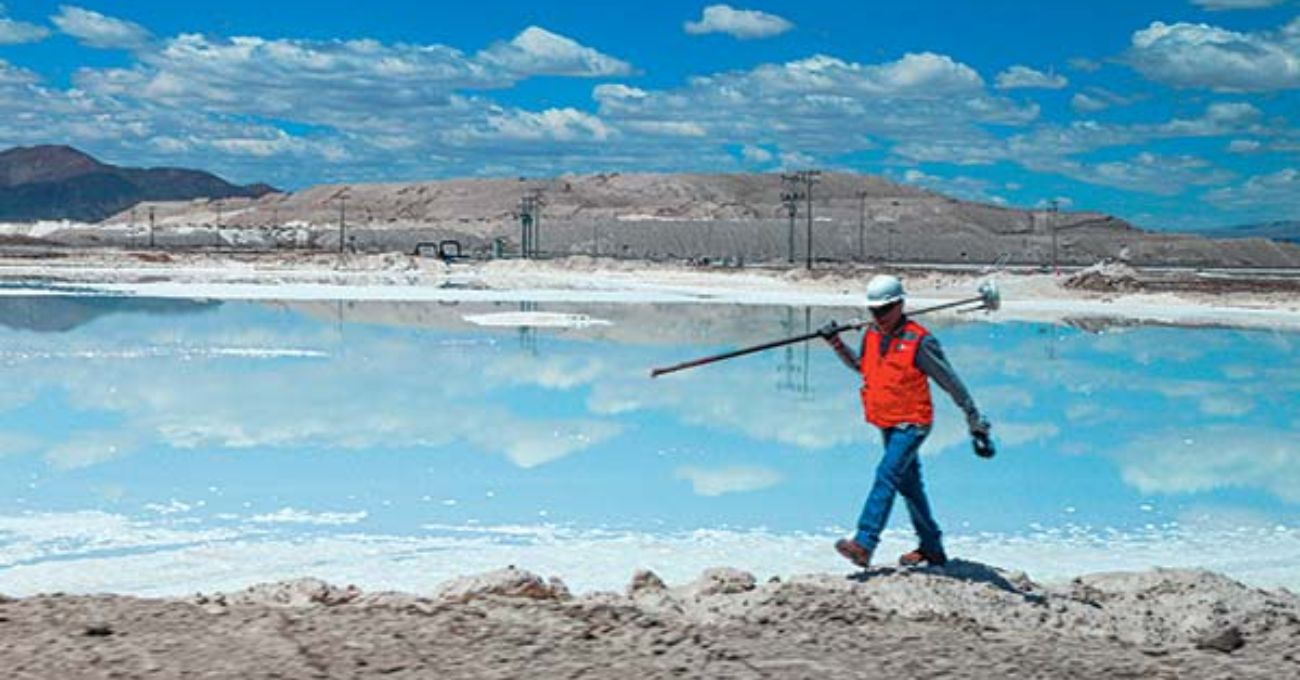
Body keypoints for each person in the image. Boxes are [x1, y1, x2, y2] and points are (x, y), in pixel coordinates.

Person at [818, 274, 990, 569]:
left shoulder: (919, 342)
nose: (878, 316)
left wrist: (974, 418)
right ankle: (932, 548)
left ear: (899, 305)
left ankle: (864, 543)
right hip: (887, 421)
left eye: (884, 310)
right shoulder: (871, 334)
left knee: (886, 475)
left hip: (912, 424)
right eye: (873, 311)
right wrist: (836, 344)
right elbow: (863, 367)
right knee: (909, 487)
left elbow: (950, 381)